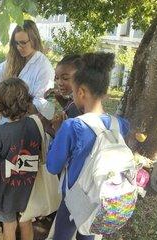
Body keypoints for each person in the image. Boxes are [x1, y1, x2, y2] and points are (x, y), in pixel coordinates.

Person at [46, 52, 129, 240]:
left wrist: (58, 132)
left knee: (62, 236)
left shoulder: (71, 126)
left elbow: (53, 166)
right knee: (88, 235)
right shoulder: (120, 124)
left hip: (77, 197)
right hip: (104, 196)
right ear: (106, 92)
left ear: (81, 92)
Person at [0, 78, 43, 240]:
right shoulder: (35, 124)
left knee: (9, 225)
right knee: (26, 221)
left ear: (0, 106)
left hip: (6, 189)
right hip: (29, 186)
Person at [0, 20, 54, 120]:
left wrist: (9, 110)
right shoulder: (13, 60)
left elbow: (40, 104)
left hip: (27, 125)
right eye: (16, 43)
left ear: (34, 40)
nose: (19, 47)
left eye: (23, 43)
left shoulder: (43, 67)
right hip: (7, 122)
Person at [48, 54, 83, 131]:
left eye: (65, 78)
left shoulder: (76, 108)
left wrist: (58, 128)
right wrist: (60, 99)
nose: (59, 83)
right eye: (56, 78)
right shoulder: (75, 101)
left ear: (80, 78)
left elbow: (71, 140)